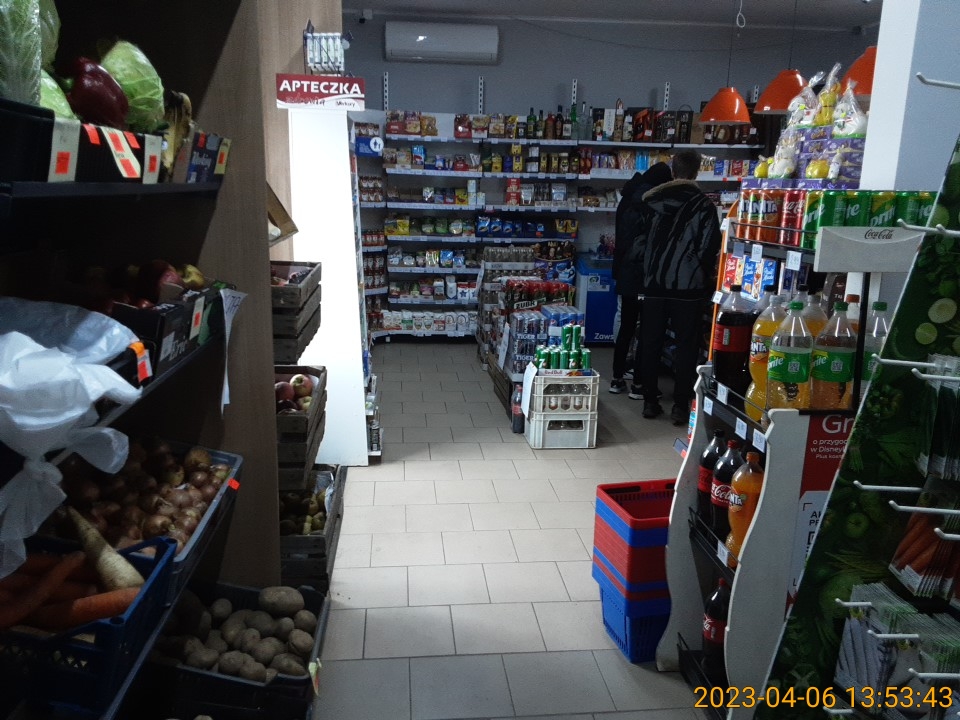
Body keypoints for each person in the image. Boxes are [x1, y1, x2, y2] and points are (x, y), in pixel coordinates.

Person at [635, 150, 722, 425]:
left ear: (672, 171)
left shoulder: (652, 203)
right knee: (687, 346)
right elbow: (710, 245)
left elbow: (639, 243)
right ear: (696, 172)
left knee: (650, 342)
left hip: (654, 285)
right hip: (687, 288)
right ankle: (681, 406)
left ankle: (649, 401)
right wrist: (698, 271)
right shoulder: (703, 205)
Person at [609, 161, 673, 394]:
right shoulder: (652, 203)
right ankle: (638, 384)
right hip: (645, 276)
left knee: (626, 327)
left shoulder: (627, 198)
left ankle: (617, 378)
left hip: (626, 272)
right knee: (646, 331)